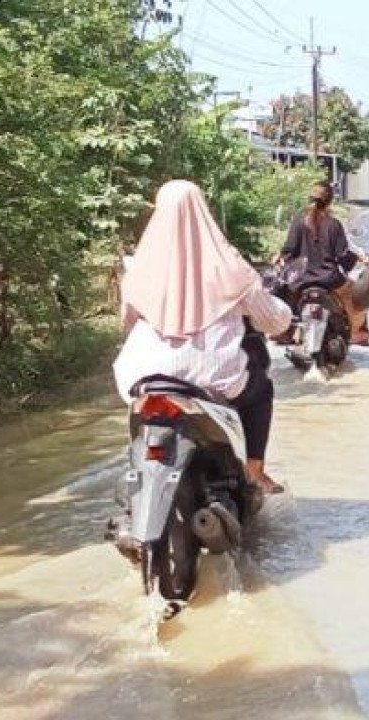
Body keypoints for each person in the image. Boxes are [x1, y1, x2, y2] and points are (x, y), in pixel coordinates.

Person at [113, 180, 293, 497]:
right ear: (202, 210)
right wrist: (284, 319)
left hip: (143, 377)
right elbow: (272, 319)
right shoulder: (228, 265)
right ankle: (254, 472)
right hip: (212, 378)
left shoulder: (139, 268)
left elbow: (127, 321)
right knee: (261, 389)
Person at [278, 181, 369, 345]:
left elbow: (288, 251)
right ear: (330, 201)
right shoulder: (334, 224)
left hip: (301, 281)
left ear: (309, 199)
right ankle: (358, 332)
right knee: (356, 297)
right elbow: (342, 255)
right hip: (330, 280)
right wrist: (357, 259)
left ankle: (285, 332)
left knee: (285, 296)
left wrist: (282, 260)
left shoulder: (298, 222)